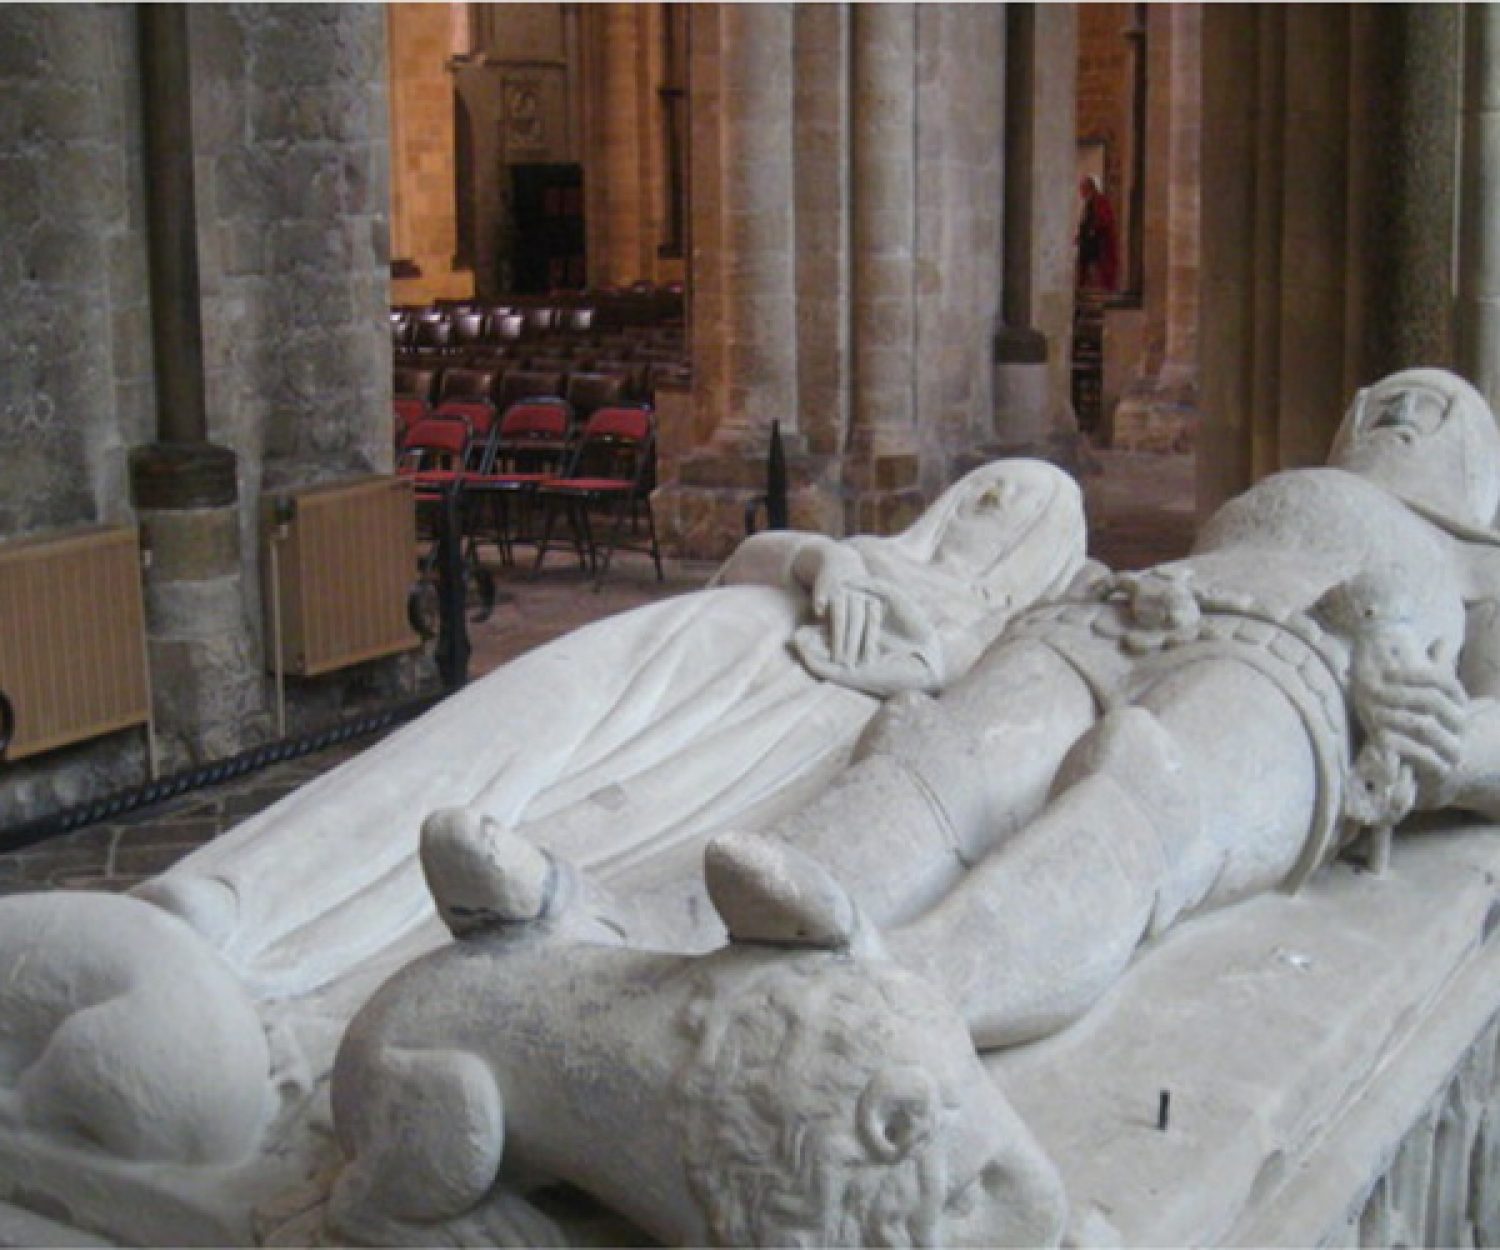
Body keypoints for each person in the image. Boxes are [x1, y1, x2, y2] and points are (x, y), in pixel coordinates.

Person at [682, 368, 1500, 1050]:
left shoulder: (1476, 565)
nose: (1399, 419)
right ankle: (738, 926)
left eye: (1429, 413)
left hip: (1305, 668)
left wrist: (1443, 740)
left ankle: (908, 992)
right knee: (949, 753)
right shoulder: (1290, 491)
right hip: (1129, 609)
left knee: (1147, 786)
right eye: (1390, 403)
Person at [136, 459, 1086, 996]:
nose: (976, 509)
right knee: (474, 742)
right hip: (687, 649)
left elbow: (1043, 696)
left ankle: (312, 977)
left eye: (1008, 508)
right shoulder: (869, 553)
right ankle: (236, 896)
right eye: (981, 492)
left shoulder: (1013, 635)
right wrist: (818, 562)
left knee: (558, 836)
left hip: (757, 742)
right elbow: (751, 558)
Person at [1077, 175, 1119, 293]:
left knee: (1096, 269)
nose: (1081, 192)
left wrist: (1092, 230)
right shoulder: (1091, 202)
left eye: (1082, 189)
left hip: (1098, 243)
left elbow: (1104, 220)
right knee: (1084, 267)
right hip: (1090, 242)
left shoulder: (1099, 201)